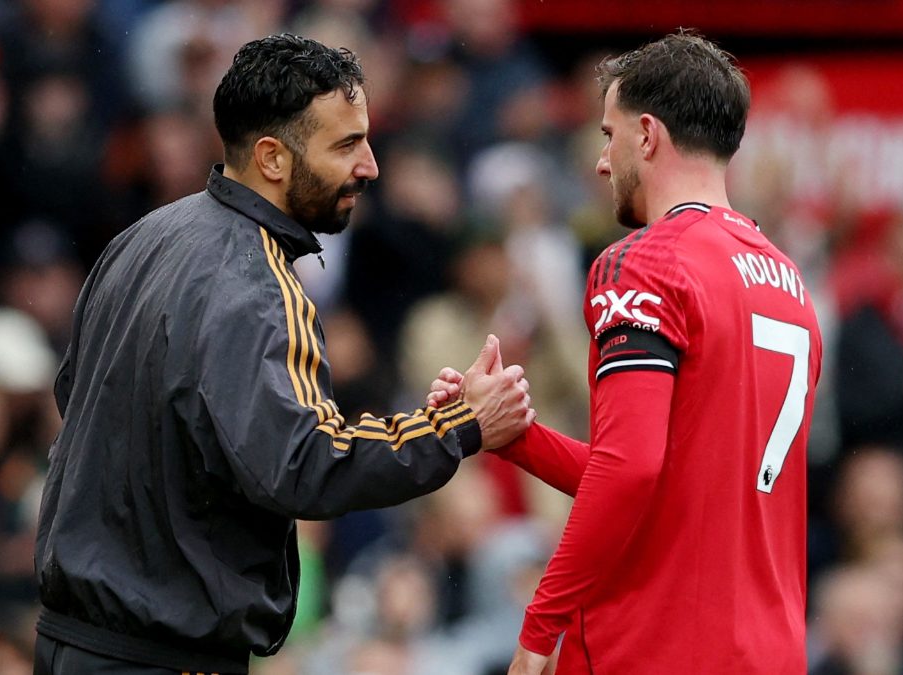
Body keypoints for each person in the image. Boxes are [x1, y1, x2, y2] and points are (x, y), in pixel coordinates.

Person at [33, 34, 533, 675]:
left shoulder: (143, 237)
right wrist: (458, 426)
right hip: (161, 654)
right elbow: (303, 464)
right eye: (346, 145)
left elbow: (73, 395)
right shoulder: (257, 282)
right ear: (272, 157)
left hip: (71, 642)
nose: (370, 166)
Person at [430, 32, 823, 673]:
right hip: (770, 650)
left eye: (608, 135)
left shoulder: (644, 262)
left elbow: (630, 469)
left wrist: (540, 627)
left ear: (646, 135)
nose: (600, 163)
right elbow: (662, 481)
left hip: (657, 644)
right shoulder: (789, 282)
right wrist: (512, 437)